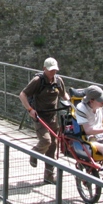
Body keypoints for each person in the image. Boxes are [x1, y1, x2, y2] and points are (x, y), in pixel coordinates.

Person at [19, 57, 69, 185]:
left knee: (53, 145)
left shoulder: (58, 81)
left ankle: (49, 176)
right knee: (46, 141)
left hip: (52, 116)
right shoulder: (37, 81)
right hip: (39, 116)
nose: (53, 72)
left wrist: (70, 104)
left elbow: (64, 95)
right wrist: (30, 109)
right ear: (44, 69)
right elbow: (22, 95)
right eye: (51, 70)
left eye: (55, 70)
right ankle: (34, 153)